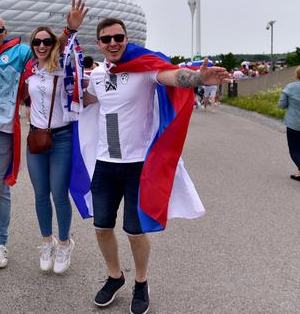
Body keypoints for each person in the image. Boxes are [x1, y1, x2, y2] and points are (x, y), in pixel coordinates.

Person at [83, 18, 229, 313]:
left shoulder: (143, 69)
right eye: (106, 39)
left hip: (138, 165)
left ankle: (141, 282)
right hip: (105, 163)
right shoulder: (97, 75)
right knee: (101, 227)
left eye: (118, 37)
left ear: (126, 39)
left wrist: (199, 79)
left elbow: (173, 77)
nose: (113, 43)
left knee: (135, 231)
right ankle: (114, 277)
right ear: (98, 43)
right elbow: (84, 101)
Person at [0, 2, 86, 269]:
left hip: (4, 134)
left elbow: (58, 50)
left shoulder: (22, 52)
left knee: (4, 189)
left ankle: (1, 243)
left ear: (5, 32)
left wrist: (70, 30)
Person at [22, 21, 85, 274]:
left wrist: (69, 30)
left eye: (47, 42)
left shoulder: (61, 69)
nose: (41, 46)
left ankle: (64, 243)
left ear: (55, 45)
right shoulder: (30, 70)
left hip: (60, 139)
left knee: (59, 194)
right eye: (37, 42)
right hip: (36, 138)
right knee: (40, 194)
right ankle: (46, 242)